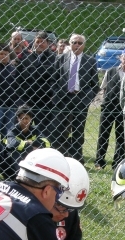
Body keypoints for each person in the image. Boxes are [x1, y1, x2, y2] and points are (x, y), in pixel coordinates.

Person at [53, 33, 99, 162]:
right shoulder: (61, 58)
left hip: (80, 99)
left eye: (80, 43)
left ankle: (77, 157)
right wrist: (57, 96)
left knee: (78, 130)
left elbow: (94, 84)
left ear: (84, 45)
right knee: (60, 128)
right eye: (74, 42)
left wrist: (87, 99)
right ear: (70, 43)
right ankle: (60, 156)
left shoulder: (90, 61)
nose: (77, 45)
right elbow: (54, 80)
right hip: (63, 98)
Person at [94, 47, 125, 170]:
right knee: (103, 134)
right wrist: (104, 101)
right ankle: (99, 162)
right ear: (120, 58)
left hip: (124, 109)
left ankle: (117, 163)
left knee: (121, 136)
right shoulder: (111, 71)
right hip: (108, 107)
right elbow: (104, 88)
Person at [15, 32, 56, 143]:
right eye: (38, 41)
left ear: (48, 43)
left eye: (43, 42)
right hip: (26, 99)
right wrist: (20, 94)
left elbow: (55, 78)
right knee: (22, 126)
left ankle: (41, 148)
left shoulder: (54, 59)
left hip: (44, 100)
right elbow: (18, 77)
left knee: (43, 130)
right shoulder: (26, 57)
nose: (40, 44)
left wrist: (51, 94)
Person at [3, 105, 51, 178]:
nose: (24, 121)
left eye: (27, 118)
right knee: (15, 152)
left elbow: (47, 143)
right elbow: (12, 144)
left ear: (31, 119)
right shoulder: (12, 130)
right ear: (18, 119)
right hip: (13, 160)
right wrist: (30, 144)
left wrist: (24, 144)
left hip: (30, 156)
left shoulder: (35, 129)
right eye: (21, 118)